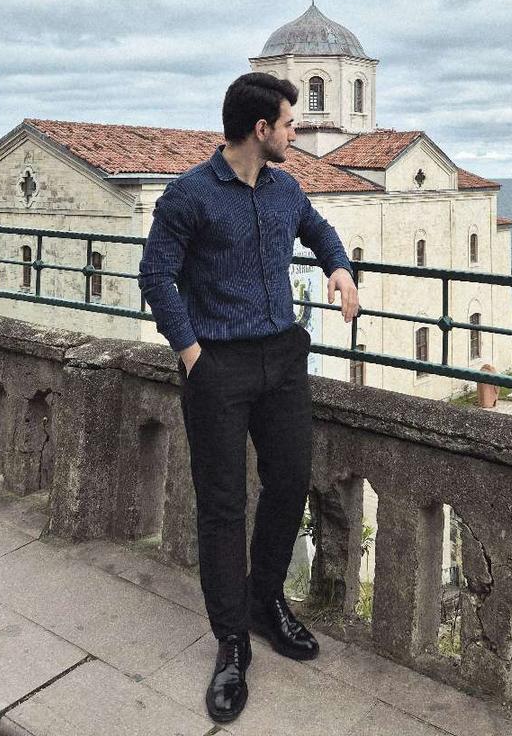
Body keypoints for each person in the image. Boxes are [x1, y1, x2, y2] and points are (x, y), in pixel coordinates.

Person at [139, 72, 358, 723]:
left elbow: (318, 229)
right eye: (289, 123)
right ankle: (232, 640)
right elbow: (156, 276)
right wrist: (192, 355)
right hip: (217, 366)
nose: (296, 132)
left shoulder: (287, 188)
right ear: (260, 129)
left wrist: (339, 268)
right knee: (223, 505)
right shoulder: (190, 195)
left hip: (282, 360)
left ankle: (265, 601)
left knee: (289, 481)